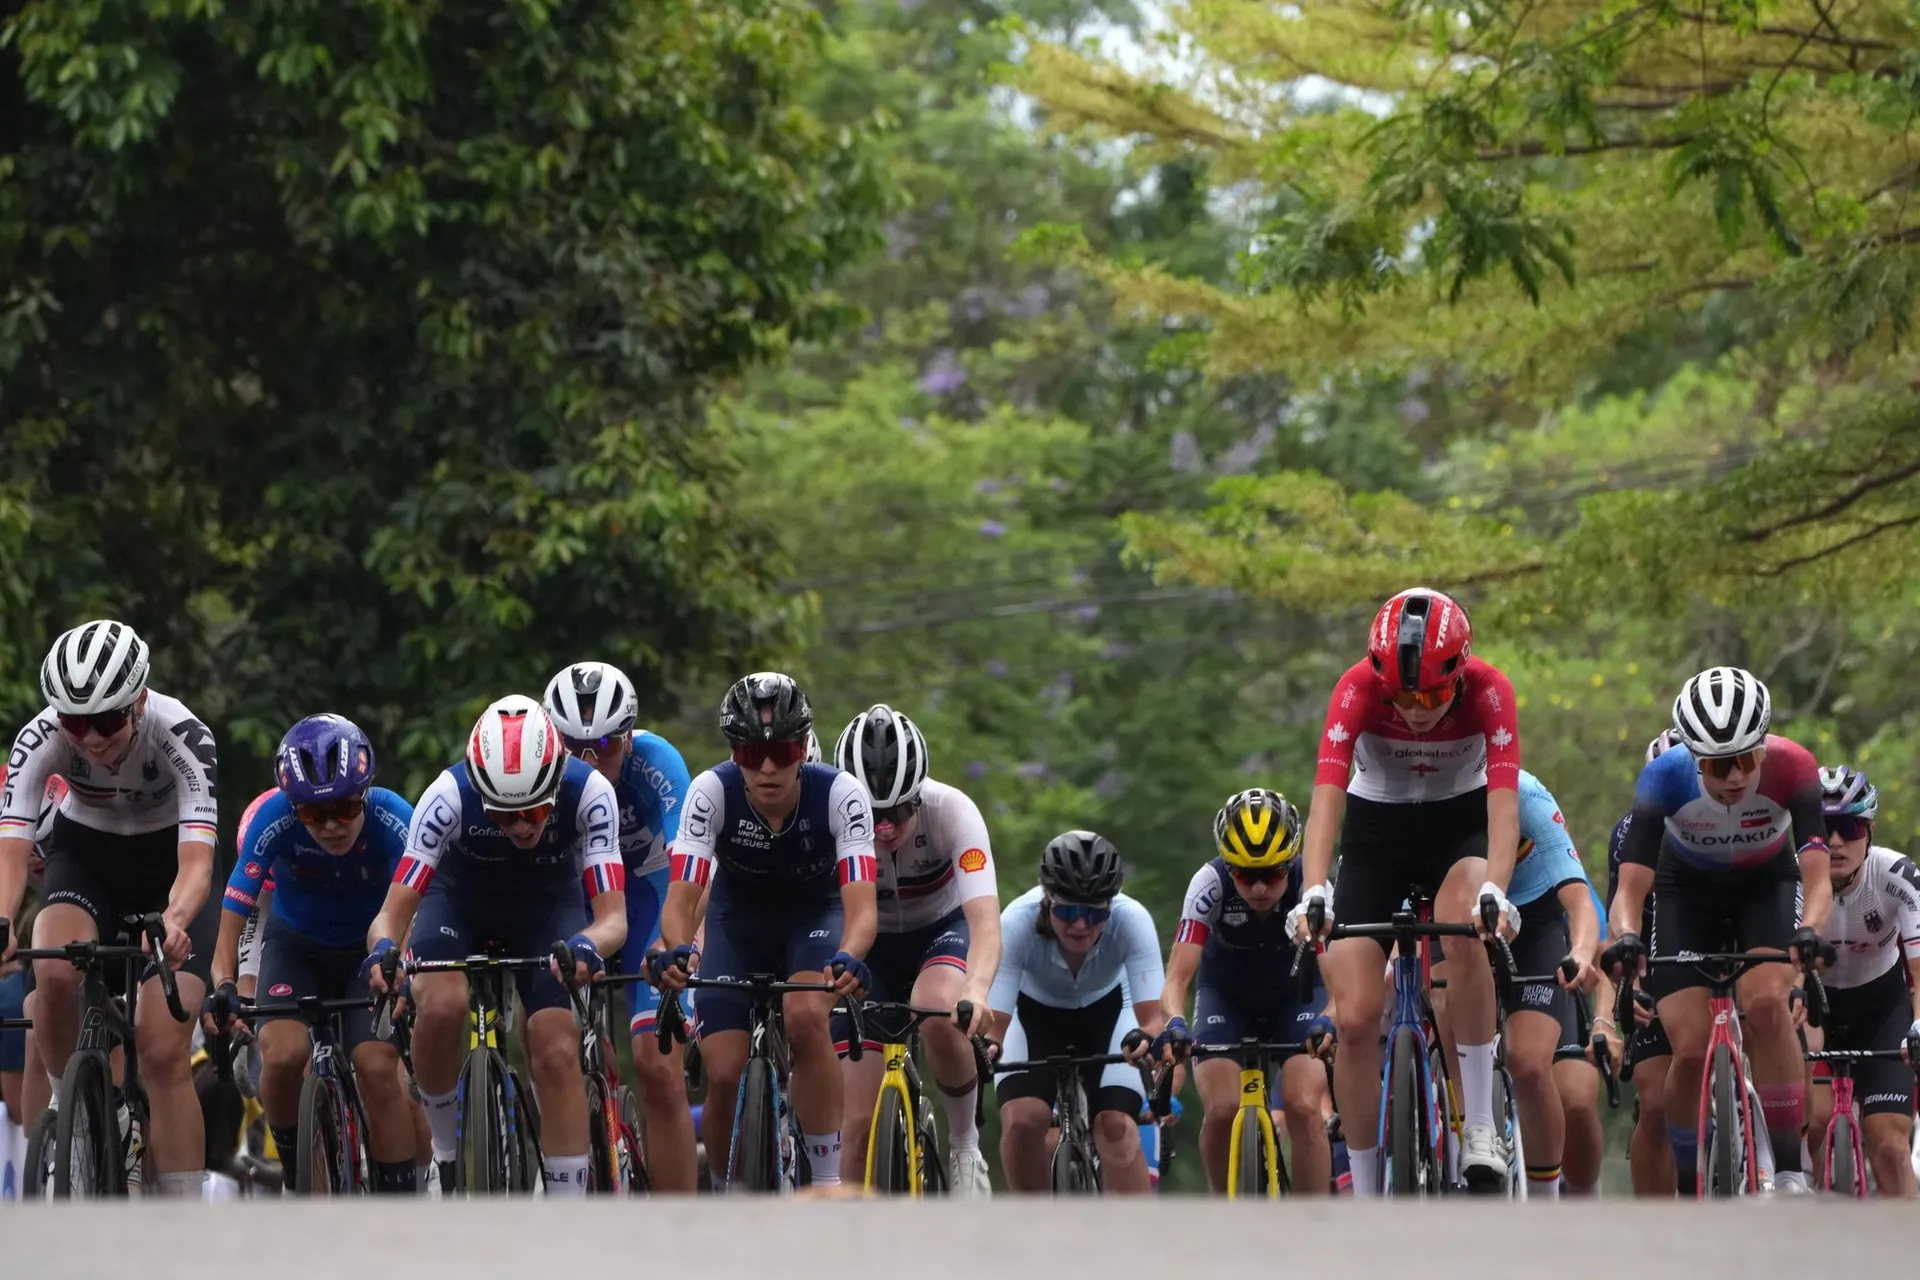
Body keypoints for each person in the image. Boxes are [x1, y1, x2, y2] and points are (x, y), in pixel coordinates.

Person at [1289, 587, 1523, 1195]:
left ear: (1460, 673)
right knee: (1355, 1020)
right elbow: (1326, 800)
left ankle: (1479, 1122)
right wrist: (1313, 890)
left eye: (1433, 696)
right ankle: (1367, 1186)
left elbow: (1503, 808)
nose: (1417, 711)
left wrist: (1496, 889)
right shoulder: (1355, 688)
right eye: (1401, 695)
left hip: (1457, 826)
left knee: (1465, 924)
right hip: (1377, 834)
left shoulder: (1491, 690)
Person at [364, 695, 626, 1195]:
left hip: (548, 908)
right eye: (505, 817)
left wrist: (587, 945)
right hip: (458, 903)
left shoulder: (590, 792)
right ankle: (445, 1156)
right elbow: (390, 916)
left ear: (557, 779)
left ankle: (566, 1209)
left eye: (536, 810)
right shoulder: (446, 796)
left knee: (555, 1046)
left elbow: (613, 919)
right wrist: (382, 951)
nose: (522, 826)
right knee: (441, 1004)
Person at [0, 621, 219, 1197]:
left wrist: (175, 920)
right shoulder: (39, 738)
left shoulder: (182, 733)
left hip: (168, 869)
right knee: (52, 974)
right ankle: (75, 1113)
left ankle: (182, 1217)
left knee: (162, 1049)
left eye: (107, 720)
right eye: (75, 723)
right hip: (86, 857)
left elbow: (197, 862)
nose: (92, 738)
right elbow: (12, 852)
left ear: (139, 701)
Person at [1604, 667, 1833, 1195]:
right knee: (1687, 1048)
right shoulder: (1663, 777)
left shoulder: (1794, 767)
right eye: (1717, 765)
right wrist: (1626, 935)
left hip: (1765, 885)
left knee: (1768, 1002)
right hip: (1685, 892)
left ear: (1764, 747)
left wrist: (1809, 930)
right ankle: (1689, 1183)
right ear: (1692, 758)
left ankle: (1790, 1170)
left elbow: (1818, 879)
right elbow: (1631, 889)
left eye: (1747, 760)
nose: (1734, 778)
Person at [647, 672, 877, 1191]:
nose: (768, 768)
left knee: (805, 1016)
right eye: (752, 755)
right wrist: (678, 949)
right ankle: (727, 1191)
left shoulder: (841, 794)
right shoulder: (711, 791)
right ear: (734, 753)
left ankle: (826, 1183)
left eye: (783, 752)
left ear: (804, 749)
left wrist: (851, 953)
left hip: (814, 918)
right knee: (724, 1071)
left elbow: (862, 909)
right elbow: (681, 898)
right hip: (737, 921)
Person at [203, 715, 417, 1194]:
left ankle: (401, 1206)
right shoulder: (273, 818)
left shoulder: (393, 816)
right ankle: (298, 1176)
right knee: (281, 1058)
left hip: (369, 951)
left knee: (378, 1069)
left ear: (365, 794)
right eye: (314, 814)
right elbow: (234, 914)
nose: (332, 825)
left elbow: (420, 902)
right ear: (293, 806)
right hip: (296, 948)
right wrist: (224, 985)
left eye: (344, 807)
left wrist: (403, 965)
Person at [830, 703, 1001, 1195]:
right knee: (855, 1131)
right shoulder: (830, 817)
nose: (884, 828)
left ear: (918, 795)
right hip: (868, 946)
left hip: (940, 932)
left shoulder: (953, 812)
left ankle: (965, 1147)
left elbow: (985, 923)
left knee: (939, 1009)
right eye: (871, 816)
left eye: (899, 812)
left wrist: (977, 990)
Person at [544, 660, 697, 1193]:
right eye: (573, 746)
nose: (589, 759)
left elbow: (691, 866)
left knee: (657, 1068)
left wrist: (674, 942)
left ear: (629, 736)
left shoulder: (658, 763)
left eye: (605, 744)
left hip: (650, 898)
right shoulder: (540, 776)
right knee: (551, 1042)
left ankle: (680, 1224)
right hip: (579, 904)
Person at [1156, 788, 1332, 1195]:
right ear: (1228, 867)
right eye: (1244, 875)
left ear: (1291, 863)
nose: (1259, 888)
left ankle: (1314, 1218)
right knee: (1221, 1111)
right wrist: (1175, 1023)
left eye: (1272, 874)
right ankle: (1226, 1215)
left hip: (1298, 998)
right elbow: (1177, 978)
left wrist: (1331, 1019)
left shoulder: (1312, 885)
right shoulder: (1209, 882)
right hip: (1226, 998)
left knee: (1304, 1106)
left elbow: (1339, 979)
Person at [989, 831, 1163, 1195]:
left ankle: (1139, 1229)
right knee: (1023, 1124)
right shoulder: (1016, 921)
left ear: (1110, 906)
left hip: (1111, 1014)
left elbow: (1153, 1020)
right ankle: (1032, 1224)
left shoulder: (1132, 919)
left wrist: (1154, 1057)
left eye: (1095, 913)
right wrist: (983, 1051)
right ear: (1047, 900)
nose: (1081, 924)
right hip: (1034, 1017)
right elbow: (995, 1028)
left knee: (1115, 1128)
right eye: (1067, 911)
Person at [1803, 765, 1920, 1196]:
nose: (1835, 841)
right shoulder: (1790, 878)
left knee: (1889, 1145)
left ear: (1869, 832)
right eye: (1824, 828)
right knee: (1810, 1125)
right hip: (1815, 1008)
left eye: (1849, 827)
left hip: (1882, 1012)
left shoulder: (1896, 876)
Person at [1492, 770, 1602, 1197]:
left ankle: (1551, 1198)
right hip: (1464, 920)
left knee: (1534, 1067)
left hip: (1535, 923)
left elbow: (1582, 905)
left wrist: (1581, 953)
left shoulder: (1528, 795)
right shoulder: (1433, 788)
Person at [1611, 731, 1680, 1196]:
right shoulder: (1629, 831)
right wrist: (1628, 985)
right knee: (1656, 1105)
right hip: (1654, 957)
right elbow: (1620, 916)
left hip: (1721, 938)